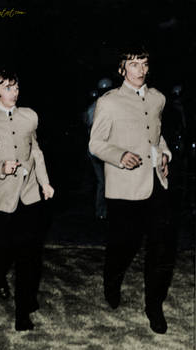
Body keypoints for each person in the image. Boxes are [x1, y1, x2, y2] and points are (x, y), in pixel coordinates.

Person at [89, 45, 176, 334]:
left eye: (144, 63)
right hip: (125, 188)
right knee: (123, 247)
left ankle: (154, 306)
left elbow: (157, 135)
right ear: (121, 69)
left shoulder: (158, 98)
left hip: (157, 183)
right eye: (133, 64)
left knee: (161, 248)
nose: (140, 69)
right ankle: (111, 281)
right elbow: (96, 143)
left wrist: (165, 155)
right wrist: (118, 155)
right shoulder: (109, 102)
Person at [0, 69, 54, 331]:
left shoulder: (29, 116)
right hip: (0, 198)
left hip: (28, 196)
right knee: (3, 251)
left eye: (16, 87)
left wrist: (44, 182)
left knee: (29, 255)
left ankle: (23, 310)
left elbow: (36, 151)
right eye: (7, 88)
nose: (14, 93)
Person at [83, 79, 113, 221]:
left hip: (98, 149)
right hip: (100, 150)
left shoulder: (93, 107)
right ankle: (102, 211)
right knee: (104, 181)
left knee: (103, 181)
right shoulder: (101, 107)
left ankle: (102, 210)